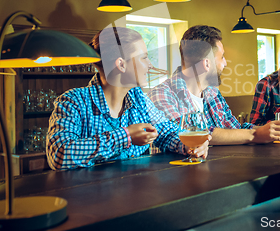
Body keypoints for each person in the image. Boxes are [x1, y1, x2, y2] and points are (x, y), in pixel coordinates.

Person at [46, 27, 210, 170]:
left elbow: (166, 133)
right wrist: (126, 136)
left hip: (133, 197)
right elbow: (59, 155)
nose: (150, 65)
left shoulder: (139, 99)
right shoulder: (73, 101)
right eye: (144, 57)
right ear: (121, 65)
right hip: (89, 200)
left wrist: (189, 147)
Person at [148, 25, 280, 144]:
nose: (225, 63)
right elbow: (188, 134)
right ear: (207, 63)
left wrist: (275, 129)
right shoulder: (162, 95)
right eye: (222, 57)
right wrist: (255, 134)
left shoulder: (212, 93)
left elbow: (234, 129)